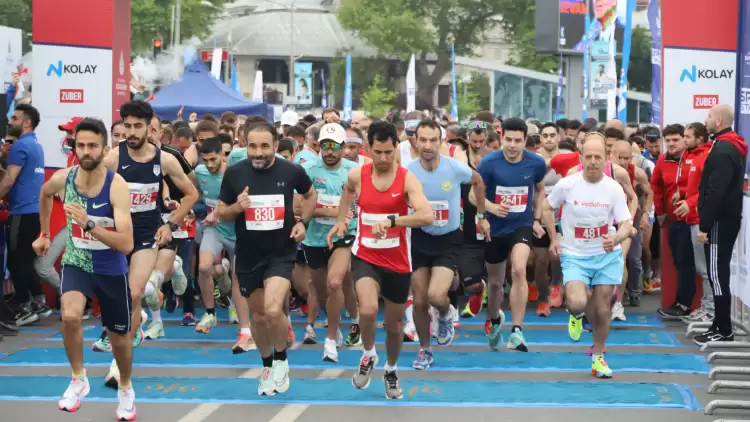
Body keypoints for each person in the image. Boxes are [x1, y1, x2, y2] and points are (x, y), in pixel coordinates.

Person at [33, 118, 136, 418]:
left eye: (92, 146)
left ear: (105, 149)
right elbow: (44, 194)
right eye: (81, 145)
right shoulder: (64, 179)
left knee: (119, 339)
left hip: (110, 266)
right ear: (74, 147)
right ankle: (79, 378)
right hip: (77, 261)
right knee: (69, 317)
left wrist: (89, 224)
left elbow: (126, 243)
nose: (86, 151)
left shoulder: (116, 186)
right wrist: (44, 234)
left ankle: (126, 387)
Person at [326, 121, 433, 399]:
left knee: (395, 325)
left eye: (388, 152)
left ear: (396, 148)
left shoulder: (407, 179)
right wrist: (341, 220)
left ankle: (391, 369)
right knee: (370, 310)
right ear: (368, 149)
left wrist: (394, 220)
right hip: (366, 255)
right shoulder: (358, 174)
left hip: (397, 261)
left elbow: (426, 215)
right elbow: (347, 192)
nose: (383, 158)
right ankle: (369, 354)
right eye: (378, 152)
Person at [100, 100, 198, 388]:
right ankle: (134, 328)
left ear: (149, 128)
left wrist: (171, 224)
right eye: (126, 127)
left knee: (133, 292)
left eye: (137, 127)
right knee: (117, 298)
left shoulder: (165, 159)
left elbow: (191, 193)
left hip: (146, 235)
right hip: (118, 234)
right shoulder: (113, 158)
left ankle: (117, 366)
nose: (131, 132)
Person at [218, 122, 317, 396]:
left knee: (274, 310)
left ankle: (282, 358)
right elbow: (221, 212)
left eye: (264, 146)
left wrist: (303, 222)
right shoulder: (235, 174)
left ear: (276, 145)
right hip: (249, 254)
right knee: (259, 317)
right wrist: (238, 207)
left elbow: (310, 195)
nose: (258, 152)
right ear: (245, 145)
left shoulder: (291, 171)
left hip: (281, 252)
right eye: (253, 146)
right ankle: (267, 364)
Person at [543, 132, 633, 378]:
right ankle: (576, 314)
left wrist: (615, 237)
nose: (593, 161)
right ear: (581, 157)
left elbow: (626, 223)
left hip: (606, 256)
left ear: (607, 158)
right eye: (589, 157)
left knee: (603, 308)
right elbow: (546, 207)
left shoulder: (613, 188)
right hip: (575, 254)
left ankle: (599, 357)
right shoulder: (568, 184)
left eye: (598, 157)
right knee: (577, 302)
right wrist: (554, 236)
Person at [406, 120, 489, 370]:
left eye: (433, 140)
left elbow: (478, 182)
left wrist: (481, 216)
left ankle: (445, 312)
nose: (428, 145)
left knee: (434, 296)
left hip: (449, 240)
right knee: (419, 302)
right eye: (423, 140)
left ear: (441, 142)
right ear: (415, 141)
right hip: (419, 239)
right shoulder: (408, 172)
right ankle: (425, 350)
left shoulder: (455, 168)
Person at [475, 117, 547, 352]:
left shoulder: (535, 163)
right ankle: (495, 320)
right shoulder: (488, 163)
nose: (513, 145)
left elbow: (539, 191)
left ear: (526, 140)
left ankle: (517, 331)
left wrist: (536, 219)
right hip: (494, 228)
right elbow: (472, 196)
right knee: (495, 283)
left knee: (518, 269)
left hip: (521, 225)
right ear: (501, 138)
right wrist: (489, 211)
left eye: (518, 140)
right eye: (508, 140)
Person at [301, 123, 361, 362]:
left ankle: (330, 340)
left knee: (336, 282)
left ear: (343, 147)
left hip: (344, 236)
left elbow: (361, 204)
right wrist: (333, 212)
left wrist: (348, 215)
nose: (328, 151)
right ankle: (338, 325)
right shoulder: (309, 171)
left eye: (333, 147)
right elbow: (299, 207)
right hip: (314, 238)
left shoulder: (354, 171)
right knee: (322, 290)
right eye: (324, 146)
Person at [694, 104, 748, 345]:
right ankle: (720, 323)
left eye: (708, 116)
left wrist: (704, 225)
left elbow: (716, 190)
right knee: (719, 274)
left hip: (718, 222)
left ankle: (723, 327)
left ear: (718, 121)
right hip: (722, 220)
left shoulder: (724, 149)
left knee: (717, 275)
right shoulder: (727, 145)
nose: (705, 120)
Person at [1, 104, 48, 326]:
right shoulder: (36, 145)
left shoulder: (20, 147)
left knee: (15, 261)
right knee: (26, 261)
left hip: (21, 212)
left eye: (15, 118)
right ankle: (39, 302)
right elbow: (16, 177)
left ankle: (24, 306)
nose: (10, 122)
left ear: (26, 122)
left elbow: (9, 180)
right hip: (33, 212)